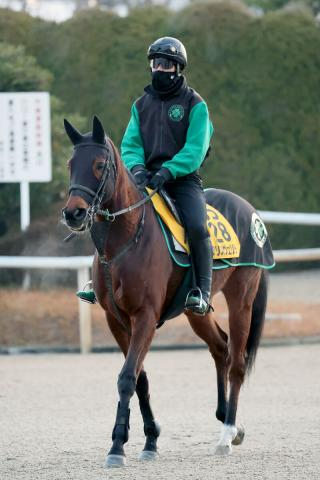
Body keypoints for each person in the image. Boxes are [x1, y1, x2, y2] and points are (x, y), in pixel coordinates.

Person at [78, 36, 214, 315]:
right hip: (144, 179)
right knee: (106, 215)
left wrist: (168, 170)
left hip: (182, 181)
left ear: (178, 68)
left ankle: (201, 290)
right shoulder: (140, 105)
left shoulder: (195, 104)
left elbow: (195, 149)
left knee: (198, 227)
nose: (159, 69)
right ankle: (98, 282)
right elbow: (130, 145)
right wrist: (137, 169)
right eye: (155, 63)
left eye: (166, 64)